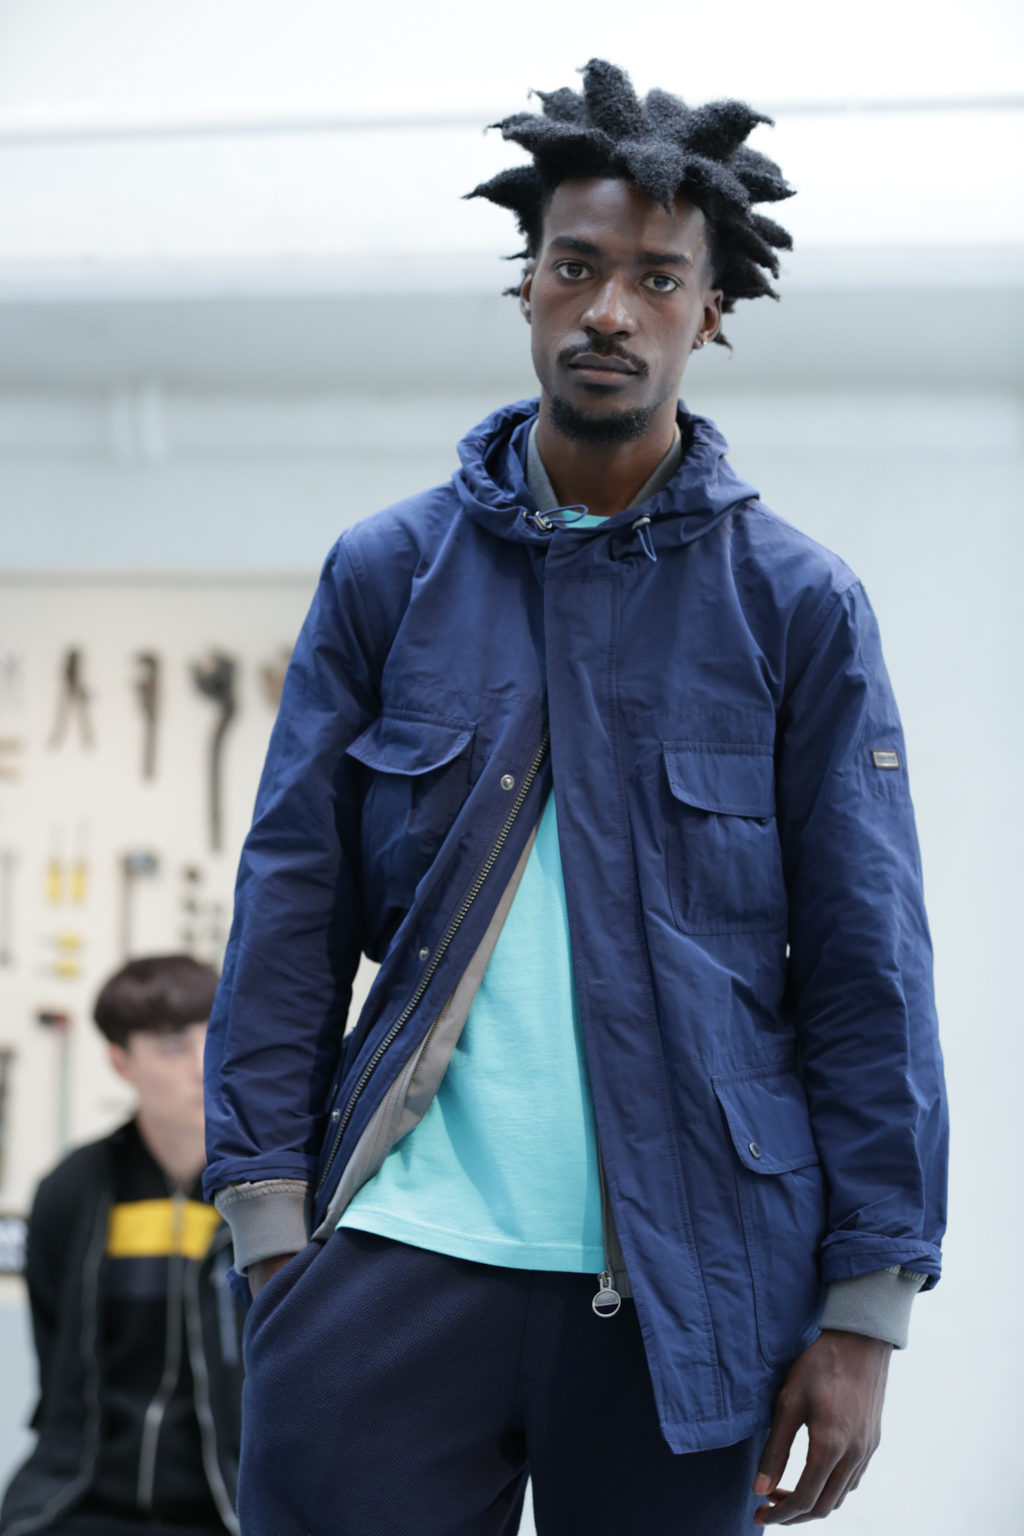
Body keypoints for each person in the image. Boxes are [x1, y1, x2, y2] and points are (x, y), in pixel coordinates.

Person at [204, 60, 947, 1535]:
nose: (611, 308)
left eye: (657, 278)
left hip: (697, 1283)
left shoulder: (797, 605)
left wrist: (867, 1303)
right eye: (576, 266)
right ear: (528, 288)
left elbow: (868, 962)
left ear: (709, 310)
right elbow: (289, 910)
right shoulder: (387, 574)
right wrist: (272, 1233)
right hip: (389, 1263)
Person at [1, 956, 244, 1536]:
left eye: (215, 1035)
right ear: (120, 1061)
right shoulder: (71, 1191)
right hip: (80, 1501)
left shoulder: (270, 1191)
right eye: (172, 1046)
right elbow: (56, 1356)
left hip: (231, 1506)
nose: (202, 1064)